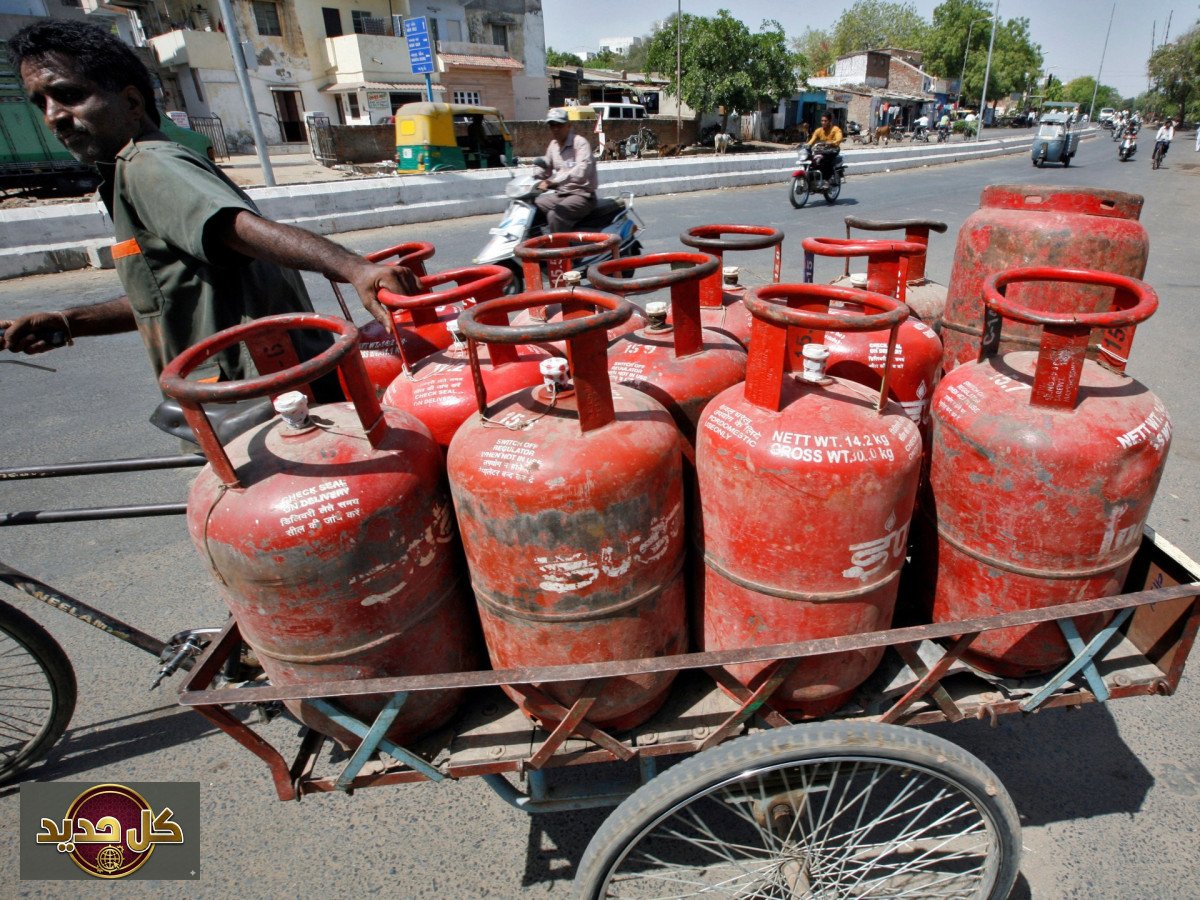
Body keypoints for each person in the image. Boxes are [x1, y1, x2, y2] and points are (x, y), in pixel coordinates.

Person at [0, 20, 417, 393]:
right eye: (42, 104)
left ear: (131, 102)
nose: (54, 116)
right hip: (267, 380)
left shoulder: (146, 163)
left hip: (255, 393)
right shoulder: (141, 169)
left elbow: (235, 228)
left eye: (69, 96)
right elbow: (168, 298)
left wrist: (354, 268)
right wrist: (70, 321)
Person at [534, 108, 598, 232]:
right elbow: (546, 167)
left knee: (555, 215)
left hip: (582, 195)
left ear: (568, 125)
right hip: (561, 194)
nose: (555, 129)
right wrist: (535, 176)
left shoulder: (580, 143)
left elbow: (582, 170)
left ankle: (559, 244)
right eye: (552, 125)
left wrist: (554, 181)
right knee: (531, 209)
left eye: (559, 125)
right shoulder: (553, 145)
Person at [806, 113, 843, 183]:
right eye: (822, 121)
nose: (823, 122)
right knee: (811, 159)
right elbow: (812, 140)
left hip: (833, 149)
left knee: (825, 159)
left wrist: (831, 143)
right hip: (822, 150)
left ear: (830, 121)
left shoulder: (836, 129)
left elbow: (839, 139)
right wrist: (807, 145)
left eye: (825, 121)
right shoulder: (818, 130)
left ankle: (827, 179)